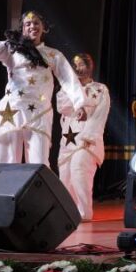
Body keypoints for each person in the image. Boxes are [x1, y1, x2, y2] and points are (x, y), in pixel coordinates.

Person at [0, 11, 85, 165]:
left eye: (36, 23)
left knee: (38, 163)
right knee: (6, 162)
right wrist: (8, 43)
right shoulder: (12, 50)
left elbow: (68, 78)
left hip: (39, 113)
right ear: (22, 28)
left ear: (43, 28)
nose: (32, 26)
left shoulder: (53, 54)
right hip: (11, 110)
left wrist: (79, 103)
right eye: (27, 24)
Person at [56, 53, 110, 222]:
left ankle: (84, 212)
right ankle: (69, 212)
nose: (78, 68)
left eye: (82, 64)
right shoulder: (67, 88)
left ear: (90, 66)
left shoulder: (100, 89)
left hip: (87, 139)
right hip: (68, 140)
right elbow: (62, 107)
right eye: (75, 65)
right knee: (65, 176)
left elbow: (100, 115)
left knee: (79, 170)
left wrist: (89, 136)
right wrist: (77, 95)